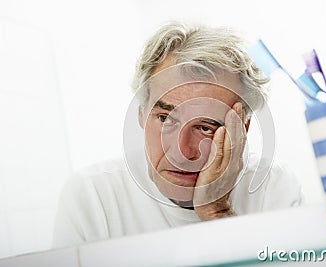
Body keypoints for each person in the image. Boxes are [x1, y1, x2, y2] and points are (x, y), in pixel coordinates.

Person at [52, 21, 303, 248]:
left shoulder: (275, 188)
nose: (181, 151)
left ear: (242, 130)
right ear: (141, 114)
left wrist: (217, 212)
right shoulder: (92, 196)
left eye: (206, 127)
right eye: (165, 119)